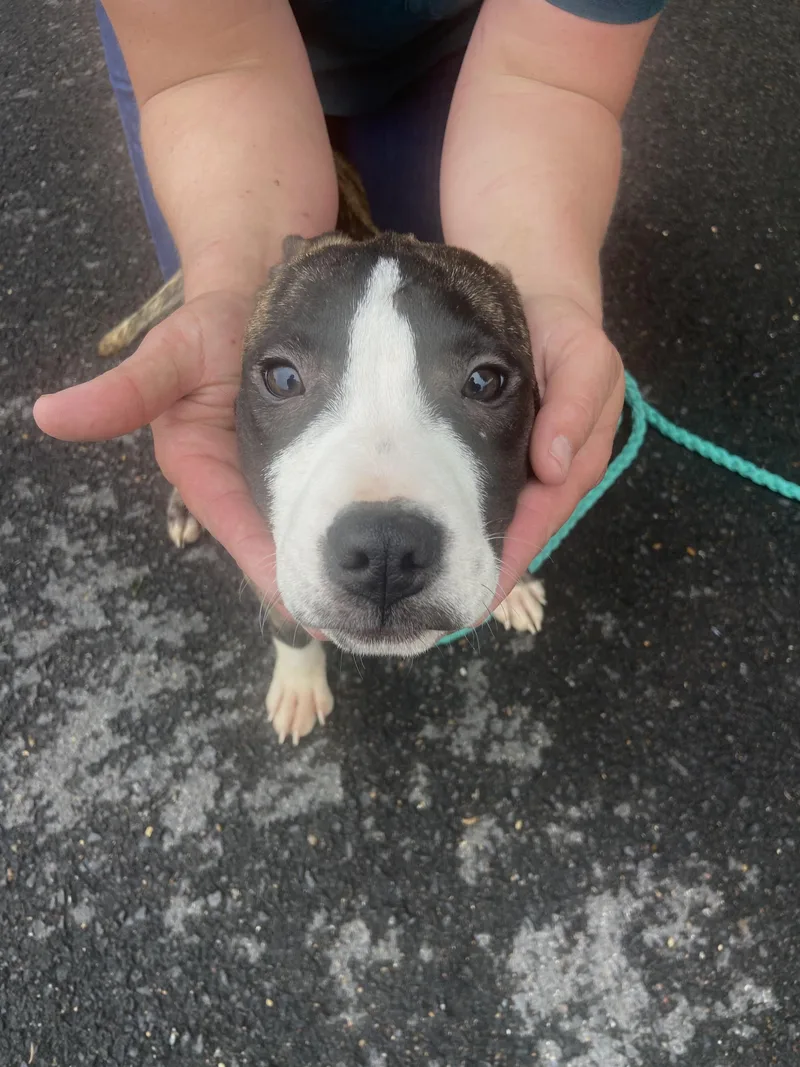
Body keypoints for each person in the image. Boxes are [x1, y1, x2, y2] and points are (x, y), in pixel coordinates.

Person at [33, 0, 664, 619]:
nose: (381, 551)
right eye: (285, 380)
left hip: (472, 50)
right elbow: (212, 68)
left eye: (484, 382)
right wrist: (229, 283)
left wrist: (548, 291)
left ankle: (488, 535)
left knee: (428, 289)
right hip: (198, 51)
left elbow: (550, 81)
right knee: (224, 293)